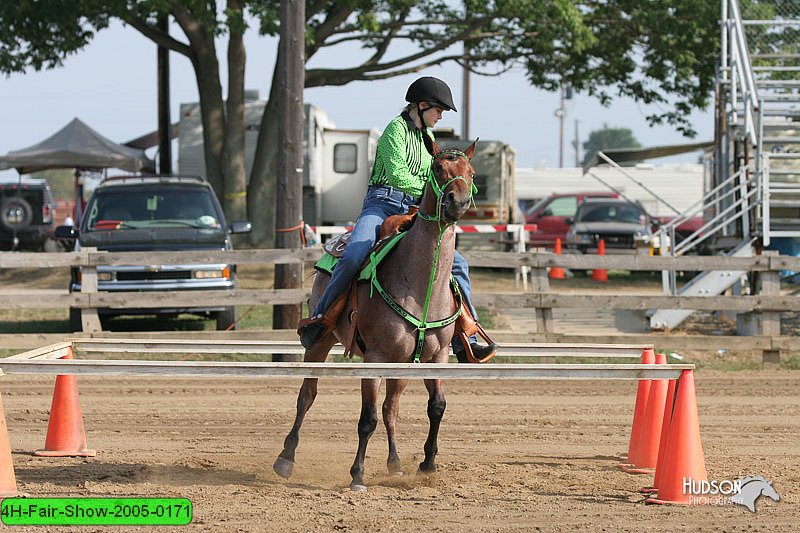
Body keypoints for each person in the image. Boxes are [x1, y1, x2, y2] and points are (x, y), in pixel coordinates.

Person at [298, 76, 497, 362]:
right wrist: (431, 190)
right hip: (381, 206)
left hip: (415, 209)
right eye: (438, 110)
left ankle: (467, 336)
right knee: (354, 255)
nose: (440, 116)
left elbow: (437, 175)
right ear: (422, 105)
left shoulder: (428, 139)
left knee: (459, 264)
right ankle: (321, 319)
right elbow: (397, 175)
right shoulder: (395, 130)